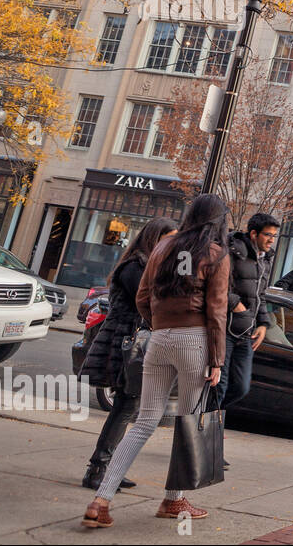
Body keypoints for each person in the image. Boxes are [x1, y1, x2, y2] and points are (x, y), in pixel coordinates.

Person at [82, 194, 232, 529]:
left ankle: (101, 499)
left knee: (145, 420)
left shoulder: (163, 247)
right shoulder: (216, 254)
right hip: (194, 341)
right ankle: (172, 498)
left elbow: (142, 296)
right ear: (217, 221)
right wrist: (217, 359)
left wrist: (157, 323)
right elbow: (217, 310)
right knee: (187, 423)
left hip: (160, 338)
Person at [79, 217, 178, 492]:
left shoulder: (150, 265)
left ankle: (108, 467)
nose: (171, 245)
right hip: (126, 340)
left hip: (135, 339)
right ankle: (98, 469)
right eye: (167, 239)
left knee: (128, 405)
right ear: (154, 238)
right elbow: (148, 300)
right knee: (125, 405)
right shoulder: (135, 266)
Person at [217, 213, 277, 408]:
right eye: (268, 235)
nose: (271, 240)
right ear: (253, 234)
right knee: (219, 385)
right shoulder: (234, 251)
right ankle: (205, 430)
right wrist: (236, 304)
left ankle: (209, 419)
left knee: (241, 387)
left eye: (274, 236)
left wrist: (263, 324)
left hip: (247, 332)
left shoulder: (265, 260)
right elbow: (218, 286)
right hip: (225, 329)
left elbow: (261, 295)